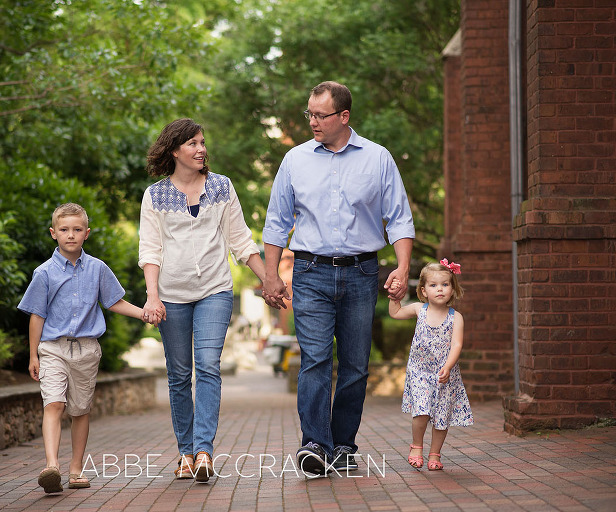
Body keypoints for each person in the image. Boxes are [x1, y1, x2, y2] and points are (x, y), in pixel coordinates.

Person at [262, 81, 415, 475]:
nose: (312, 121)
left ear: (344, 116)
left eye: (320, 115)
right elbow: (277, 221)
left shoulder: (378, 159)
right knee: (314, 358)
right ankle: (314, 444)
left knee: (355, 365)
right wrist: (270, 275)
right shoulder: (295, 160)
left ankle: (343, 445)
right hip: (310, 271)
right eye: (309, 113)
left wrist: (402, 266)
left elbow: (399, 217)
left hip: (362, 272)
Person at [138, 118, 267, 482]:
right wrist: (153, 296)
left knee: (208, 366)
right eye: (193, 143)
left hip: (214, 290)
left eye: (202, 142)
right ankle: (185, 453)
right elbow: (150, 249)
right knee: (179, 375)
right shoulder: (155, 195)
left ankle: (204, 451)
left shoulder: (222, 187)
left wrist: (268, 279)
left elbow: (240, 240)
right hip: (171, 297)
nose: (201, 149)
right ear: (175, 149)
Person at [18, 202, 147, 493]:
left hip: (87, 350)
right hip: (53, 348)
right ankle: (52, 466)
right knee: (54, 403)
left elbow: (113, 302)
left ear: (86, 233)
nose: (71, 235)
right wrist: (33, 354)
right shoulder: (44, 273)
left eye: (77, 229)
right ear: (53, 233)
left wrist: (144, 313)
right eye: (64, 230)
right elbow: (36, 315)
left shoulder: (98, 269)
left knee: (80, 410)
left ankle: (76, 470)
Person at [388, 259, 473, 471]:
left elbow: (457, 344)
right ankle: (417, 446)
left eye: (445, 284)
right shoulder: (419, 310)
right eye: (434, 285)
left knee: (441, 415)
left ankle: (435, 453)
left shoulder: (456, 317)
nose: (440, 289)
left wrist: (448, 365)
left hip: (444, 374)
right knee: (422, 411)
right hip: (420, 372)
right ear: (424, 290)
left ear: (453, 288)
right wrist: (393, 295)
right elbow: (395, 313)